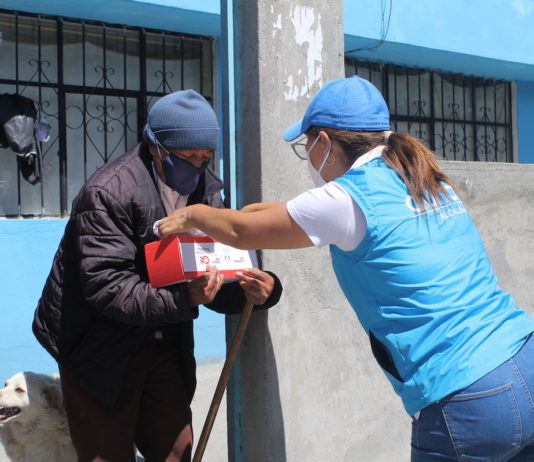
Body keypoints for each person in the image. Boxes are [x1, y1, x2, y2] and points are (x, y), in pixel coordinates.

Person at [157, 76, 534, 461]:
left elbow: (240, 231)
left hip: (467, 393)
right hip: (523, 355)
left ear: (324, 142)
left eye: (307, 145)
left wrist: (192, 214)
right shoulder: (422, 178)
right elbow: (274, 214)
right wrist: (227, 214)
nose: (308, 156)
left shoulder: (347, 198)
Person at [32, 89, 282, 462]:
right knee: (107, 454)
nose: (198, 167)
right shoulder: (108, 192)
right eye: (187, 158)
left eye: (205, 158)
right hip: (95, 348)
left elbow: (213, 270)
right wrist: (185, 298)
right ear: (155, 147)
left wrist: (257, 289)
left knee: (176, 451)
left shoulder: (207, 194)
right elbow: (107, 287)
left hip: (162, 338)